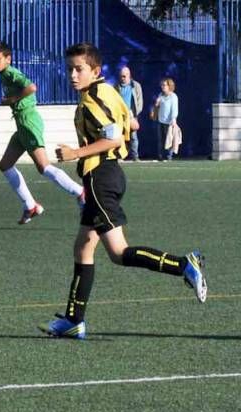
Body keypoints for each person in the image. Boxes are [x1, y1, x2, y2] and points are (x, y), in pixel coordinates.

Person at [39, 43, 206, 339]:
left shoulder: (93, 100)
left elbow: (114, 139)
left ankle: (183, 264)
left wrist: (76, 152)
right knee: (83, 247)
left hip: (101, 178)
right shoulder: (110, 92)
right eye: (69, 69)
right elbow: (133, 123)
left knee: (118, 252)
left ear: (95, 70)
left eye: (79, 69)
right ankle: (74, 319)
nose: (73, 75)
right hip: (108, 175)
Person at [0, 41, 85, 225]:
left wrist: (12, 99)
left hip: (28, 121)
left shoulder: (10, 72)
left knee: (44, 167)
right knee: (5, 165)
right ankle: (30, 206)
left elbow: (32, 87)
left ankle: (80, 193)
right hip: (22, 123)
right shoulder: (3, 74)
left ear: (8, 59)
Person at [114, 66, 143, 161]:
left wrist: (134, 114)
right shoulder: (116, 86)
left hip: (132, 116)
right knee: (120, 137)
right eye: (121, 76)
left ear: (129, 75)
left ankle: (135, 156)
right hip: (120, 116)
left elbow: (140, 102)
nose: (122, 78)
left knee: (133, 136)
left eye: (124, 76)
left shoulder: (136, 86)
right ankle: (120, 156)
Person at [151, 77, 179, 161]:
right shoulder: (160, 95)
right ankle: (160, 157)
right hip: (160, 121)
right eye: (162, 85)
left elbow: (174, 109)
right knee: (160, 140)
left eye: (164, 85)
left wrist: (173, 119)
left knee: (169, 139)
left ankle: (168, 157)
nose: (162, 87)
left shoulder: (173, 96)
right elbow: (157, 107)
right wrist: (156, 104)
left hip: (169, 122)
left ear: (169, 86)